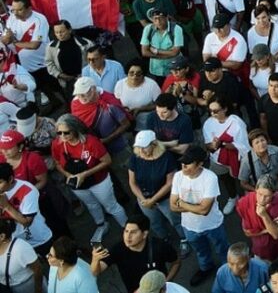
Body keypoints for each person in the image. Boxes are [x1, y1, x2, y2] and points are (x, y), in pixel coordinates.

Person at [51, 113, 127, 244]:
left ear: (75, 129)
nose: (62, 136)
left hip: (99, 181)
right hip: (78, 185)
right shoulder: (57, 144)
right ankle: (101, 224)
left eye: (66, 132)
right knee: (91, 205)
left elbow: (107, 161)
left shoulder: (91, 142)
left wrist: (84, 174)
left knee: (111, 206)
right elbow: (57, 163)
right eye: (59, 133)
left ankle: (127, 227)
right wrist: (69, 176)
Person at [171, 144, 229, 287]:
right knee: (201, 251)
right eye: (183, 162)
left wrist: (182, 203)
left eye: (188, 163)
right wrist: (196, 207)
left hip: (212, 225)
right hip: (189, 227)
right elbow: (173, 206)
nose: (184, 166)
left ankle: (228, 271)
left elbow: (205, 210)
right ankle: (206, 268)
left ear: (200, 164)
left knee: (222, 249)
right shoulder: (178, 176)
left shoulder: (210, 178)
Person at [90, 214, 181, 293]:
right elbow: (95, 272)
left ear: (144, 234)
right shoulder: (118, 249)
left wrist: (166, 282)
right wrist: (95, 259)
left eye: (133, 232)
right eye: (126, 231)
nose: (128, 236)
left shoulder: (159, 246)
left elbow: (176, 262)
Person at [127, 130, 186, 249]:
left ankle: (184, 239)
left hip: (166, 198)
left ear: (154, 144)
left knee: (176, 220)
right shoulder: (135, 157)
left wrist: (152, 200)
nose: (141, 150)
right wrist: (143, 199)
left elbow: (169, 183)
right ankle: (164, 238)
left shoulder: (167, 157)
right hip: (144, 199)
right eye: (139, 147)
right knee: (154, 222)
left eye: (144, 147)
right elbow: (132, 183)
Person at [236, 174, 278, 261]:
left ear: (274, 193)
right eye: (260, 194)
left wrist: (264, 215)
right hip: (261, 251)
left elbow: (276, 234)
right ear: (256, 189)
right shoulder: (245, 202)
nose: (262, 199)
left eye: (267, 196)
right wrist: (266, 230)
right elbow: (247, 232)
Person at [0, 217, 42, 293]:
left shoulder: (20, 248)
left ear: (2, 236)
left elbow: (37, 269)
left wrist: (38, 290)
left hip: (26, 287)